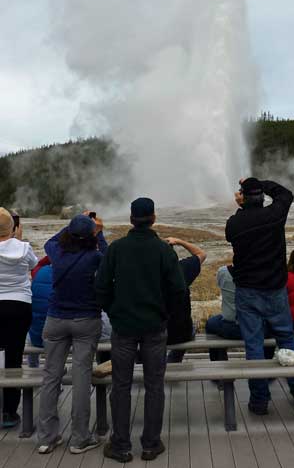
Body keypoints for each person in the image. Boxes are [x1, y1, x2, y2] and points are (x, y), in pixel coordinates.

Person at [96, 197, 185, 464]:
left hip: (123, 327)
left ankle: (121, 445)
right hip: (155, 327)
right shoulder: (163, 250)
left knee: (121, 385)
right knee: (154, 385)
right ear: (154, 218)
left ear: (131, 219)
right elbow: (179, 290)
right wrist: (164, 313)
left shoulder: (117, 249)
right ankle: (150, 444)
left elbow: (100, 287)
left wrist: (113, 310)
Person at [226, 178, 294, 415]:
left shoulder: (235, 223)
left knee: (254, 345)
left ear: (242, 197)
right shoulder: (275, 215)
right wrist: (259, 183)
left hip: (248, 292)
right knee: (286, 338)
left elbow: (232, 234)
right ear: (261, 196)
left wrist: (244, 200)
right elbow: (286, 194)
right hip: (275, 289)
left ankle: (259, 400)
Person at [38, 213, 107, 455]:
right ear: (91, 237)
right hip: (86, 320)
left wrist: (72, 227)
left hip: (55, 320)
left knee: (50, 377)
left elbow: (52, 240)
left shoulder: (57, 253)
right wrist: (100, 233)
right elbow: (109, 261)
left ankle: (46, 438)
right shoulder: (94, 257)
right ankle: (79, 439)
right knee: (81, 378)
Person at [0, 207, 38, 427]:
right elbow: (33, 266)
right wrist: (18, 241)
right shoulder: (23, 248)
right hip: (19, 305)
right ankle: (9, 412)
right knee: (14, 357)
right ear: (13, 227)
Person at [166, 237, 206, 363]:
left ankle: (142, 362)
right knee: (190, 328)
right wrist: (180, 241)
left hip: (154, 333)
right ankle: (174, 360)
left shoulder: (147, 272)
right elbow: (201, 254)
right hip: (181, 333)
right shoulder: (182, 269)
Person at [27, 257, 53, 368]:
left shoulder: (39, 272)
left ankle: (32, 366)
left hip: (35, 336)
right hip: (56, 337)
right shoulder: (68, 274)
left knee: (30, 334)